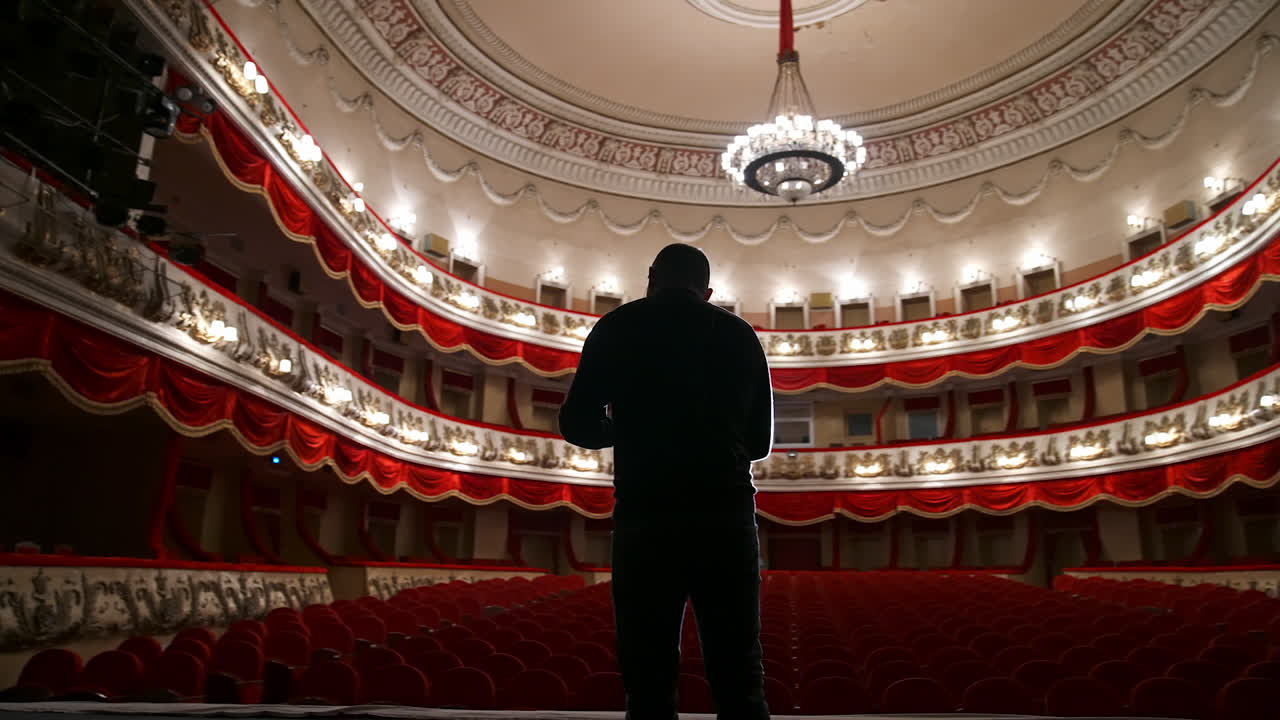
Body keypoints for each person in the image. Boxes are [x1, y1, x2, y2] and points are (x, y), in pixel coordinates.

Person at [560, 243, 774, 720]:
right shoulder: (739, 336)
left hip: (646, 516)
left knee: (649, 679)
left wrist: (630, 430)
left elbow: (577, 424)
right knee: (740, 675)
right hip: (725, 515)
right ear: (708, 290)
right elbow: (759, 444)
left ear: (651, 278)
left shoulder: (617, 327)